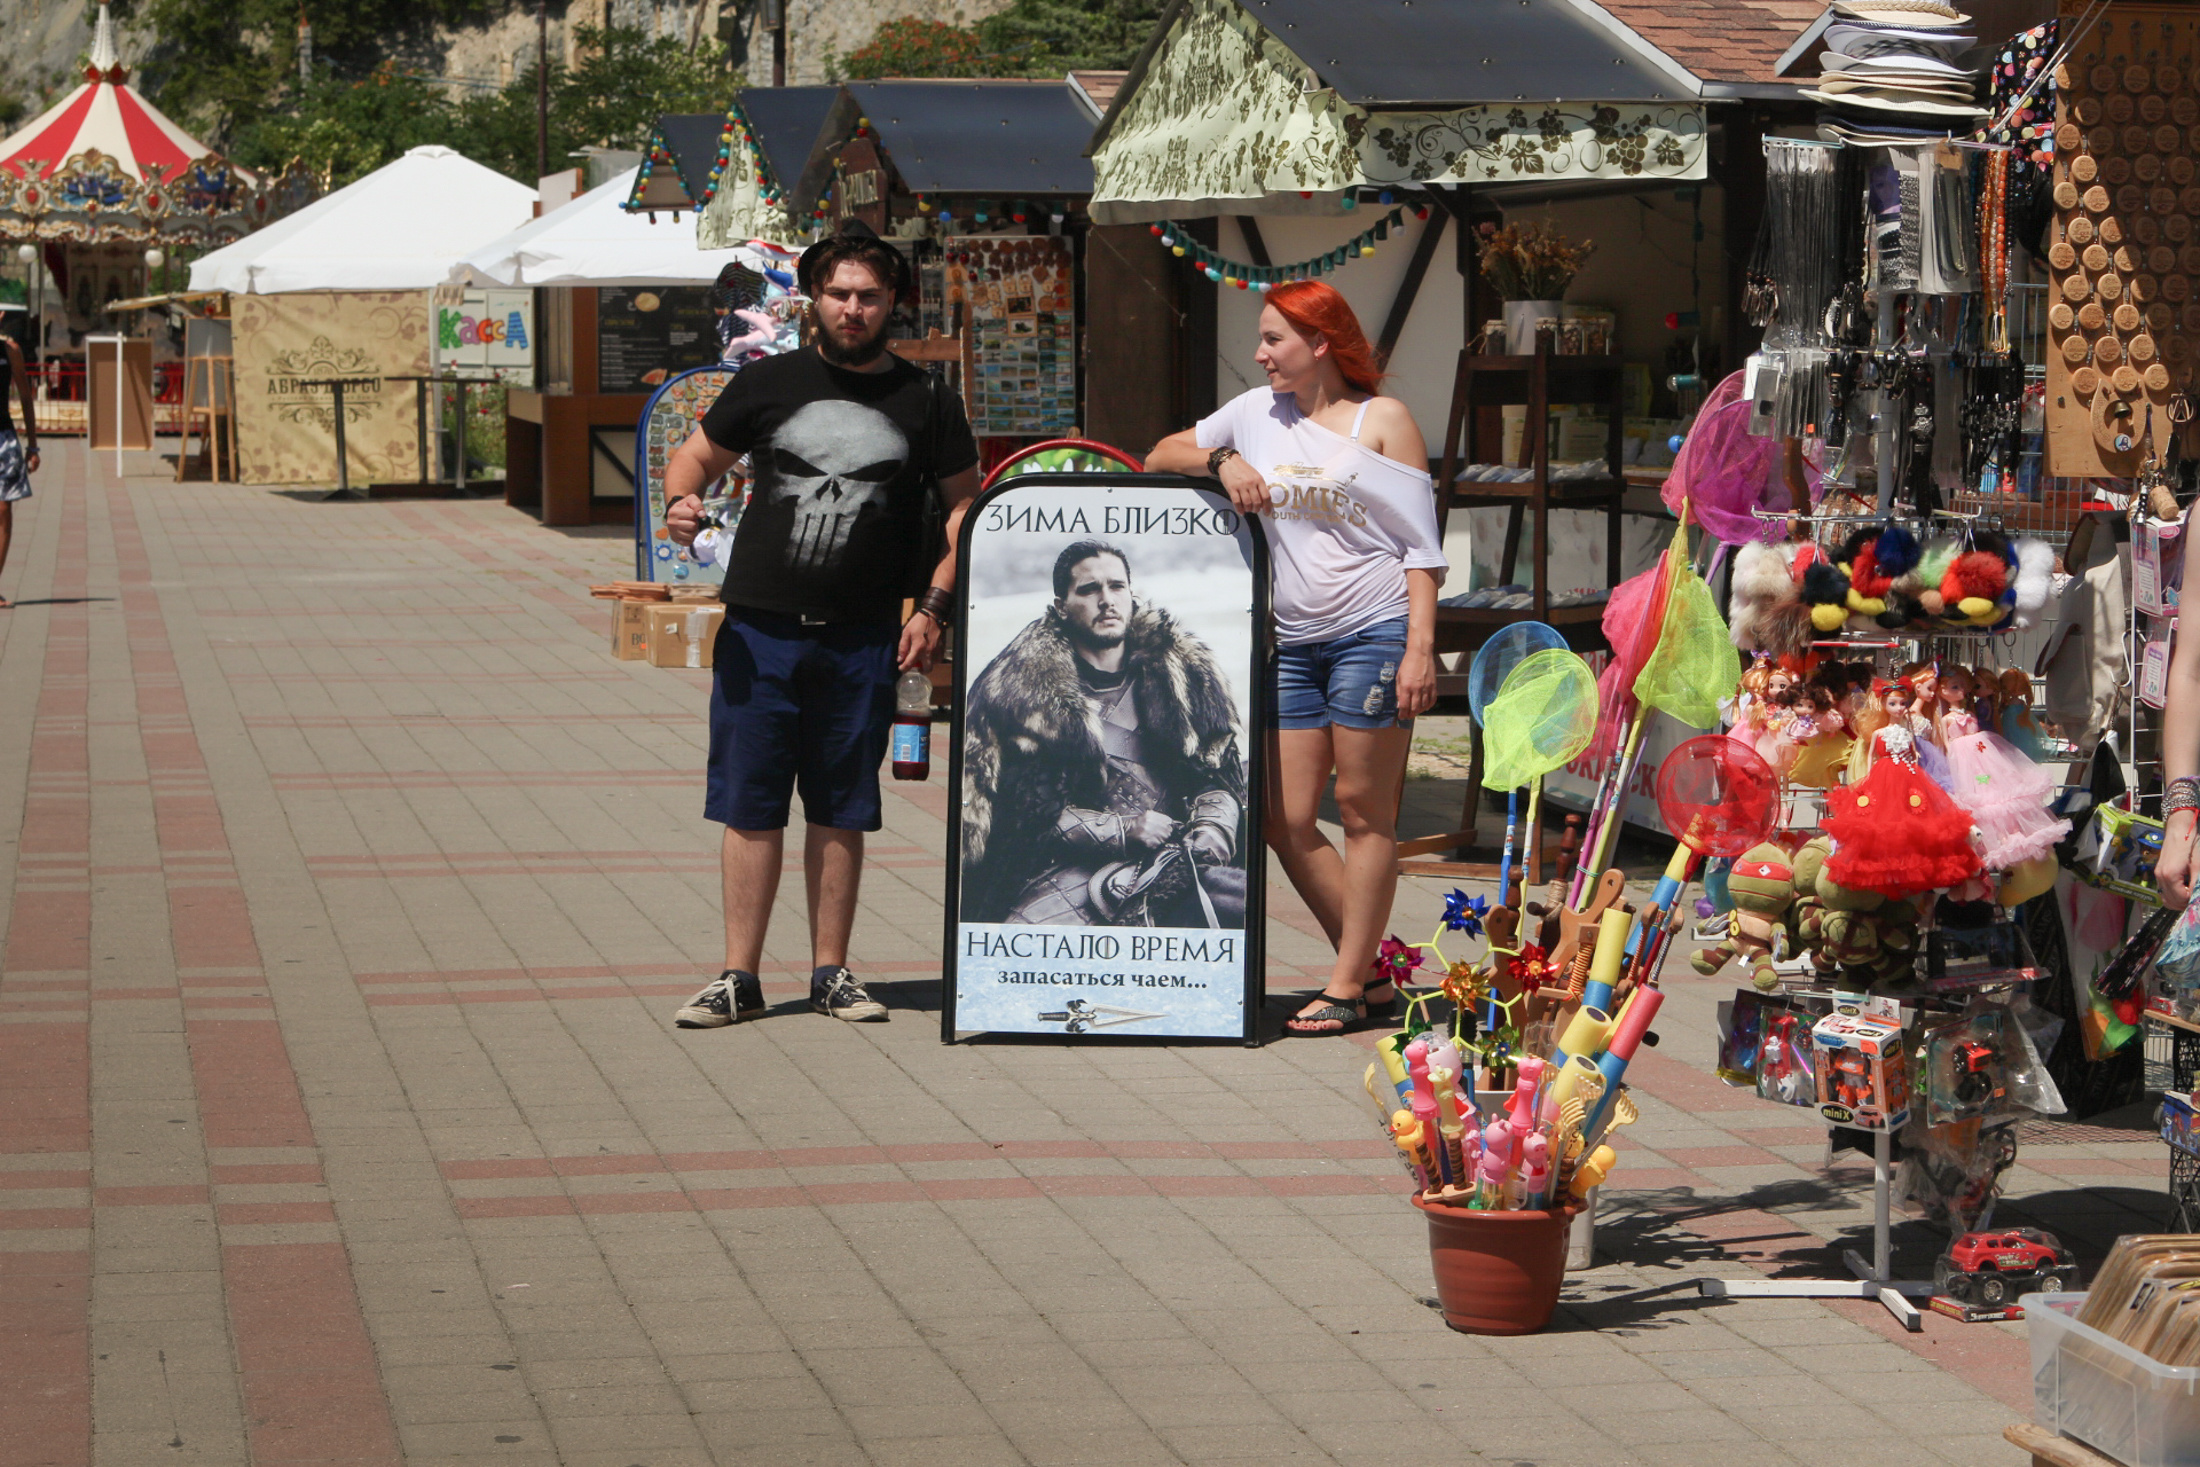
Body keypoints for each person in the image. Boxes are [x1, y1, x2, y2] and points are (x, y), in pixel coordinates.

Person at [661, 220, 979, 1027]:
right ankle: (738, 975)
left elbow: (964, 518)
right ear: (814, 298)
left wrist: (935, 609)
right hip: (761, 630)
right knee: (751, 800)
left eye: (869, 295)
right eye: (839, 292)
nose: (853, 308)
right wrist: (680, 503)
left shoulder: (928, 402)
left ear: (893, 303)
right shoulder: (768, 386)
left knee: (842, 802)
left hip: (866, 634)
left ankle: (831, 971)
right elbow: (693, 458)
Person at [1146, 280, 1443, 1035]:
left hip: (1374, 630)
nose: (1259, 353)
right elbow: (1158, 454)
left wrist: (1419, 648)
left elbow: (1420, 548)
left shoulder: (1384, 420)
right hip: (1292, 639)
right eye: (1260, 338)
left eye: (1274, 338)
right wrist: (1218, 462)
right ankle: (1376, 972)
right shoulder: (1253, 414)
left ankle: (1347, 983)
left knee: (1362, 813)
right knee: (1282, 818)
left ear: (1320, 343)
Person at [961, 539, 1246, 928]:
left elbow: (1219, 777)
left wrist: (1213, 830)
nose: (1106, 600)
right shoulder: (1020, 693)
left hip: (1175, 854)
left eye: (1117, 586)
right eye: (1089, 589)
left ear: (1132, 594)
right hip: (1061, 870)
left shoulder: (1185, 676)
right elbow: (1018, 811)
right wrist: (1123, 830)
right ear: (1062, 605)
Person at [0, 320, 41, 609]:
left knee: (3, 509)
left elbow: (26, 397)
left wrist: (33, 445)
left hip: (3, 438)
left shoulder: (10, 351)